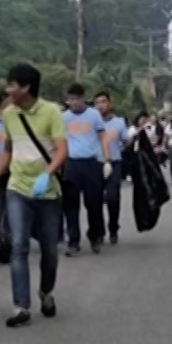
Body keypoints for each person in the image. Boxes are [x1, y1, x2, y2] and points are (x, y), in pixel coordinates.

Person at [0, 63, 68, 326]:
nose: (7, 89)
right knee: (18, 246)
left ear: (26, 88)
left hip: (47, 192)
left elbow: (61, 150)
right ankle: (21, 306)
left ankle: (46, 292)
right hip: (18, 189)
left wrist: (48, 174)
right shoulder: (9, 115)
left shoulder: (51, 112)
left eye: (12, 85)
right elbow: (8, 150)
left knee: (49, 252)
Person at [58, 83, 108, 256]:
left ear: (82, 98)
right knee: (71, 205)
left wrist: (106, 159)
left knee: (93, 203)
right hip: (72, 164)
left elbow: (102, 137)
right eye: (70, 99)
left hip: (91, 164)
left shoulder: (94, 115)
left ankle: (95, 237)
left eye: (76, 99)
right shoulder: (64, 118)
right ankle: (73, 242)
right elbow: (60, 142)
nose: (73, 102)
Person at [94, 92, 128, 246]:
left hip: (114, 163)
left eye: (103, 102)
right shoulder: (91, 122)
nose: (100, 105)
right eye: (97, 103)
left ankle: (113, 227)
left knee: (112, 198)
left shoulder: (119, 123)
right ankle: (99, 231)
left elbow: (126, 141)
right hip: (95, 164)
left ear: (110, 103)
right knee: (95, 200)